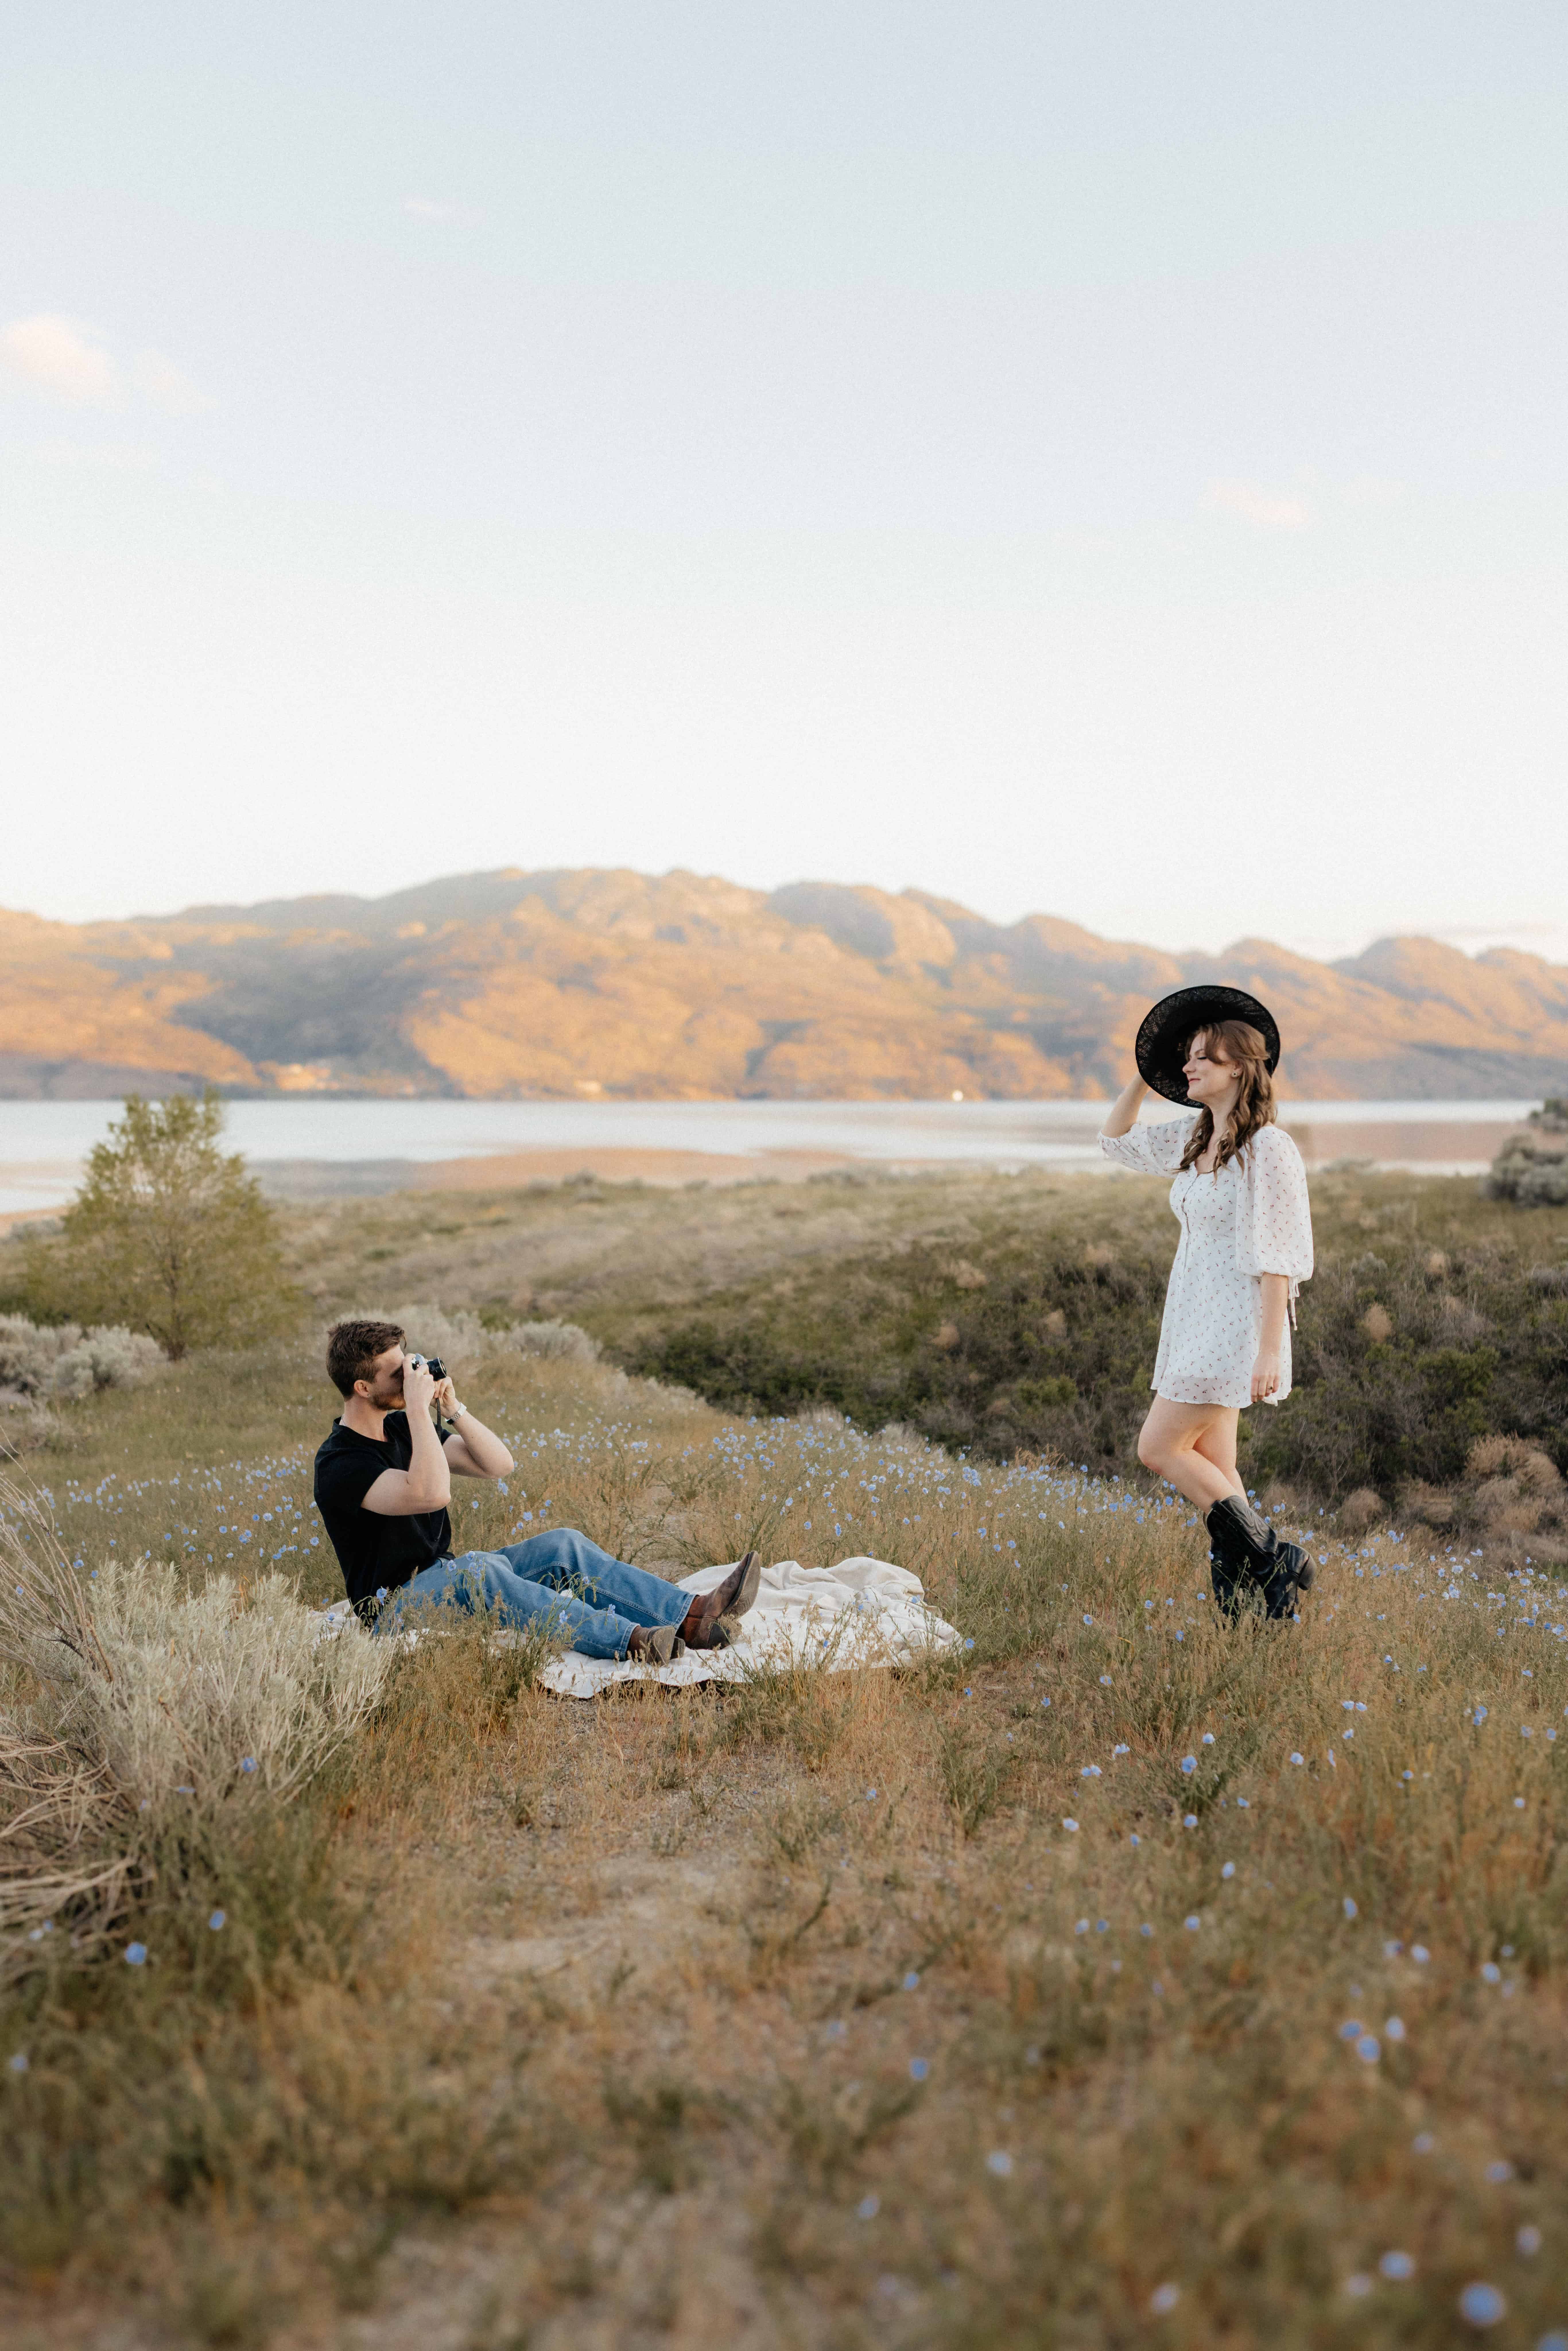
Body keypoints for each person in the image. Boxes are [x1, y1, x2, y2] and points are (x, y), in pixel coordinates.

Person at [312, 1319, 759, 1659]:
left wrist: (452, 1408)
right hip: (393, 1610)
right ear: (362, 1387)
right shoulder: (341, 1463)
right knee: (476, 1572)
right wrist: (415, 1409)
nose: (411, 1377)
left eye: (409, 1364)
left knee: (563, 1544)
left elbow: (498, 1465)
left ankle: (692, 1616)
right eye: (398, 1373)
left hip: (449, 1578)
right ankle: (630, 1641)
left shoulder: (403, 1430)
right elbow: (431, 1494)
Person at [1099, 990, 1315, 1619]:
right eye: (1186, 1057)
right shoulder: (1196, 1138)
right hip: (1192, 1319)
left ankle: (1272, 1557)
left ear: (1239, 1068)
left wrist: (1269, 1351)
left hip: (1235, 1326)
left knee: (1158, 1448)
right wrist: (1143, 1077)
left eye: (1202, 1058)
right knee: (1218, 1467)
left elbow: (1278, 1256)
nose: (1187, 1066)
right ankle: (1261, 1599)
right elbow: (1114, 1139)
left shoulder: (1268, 1148)